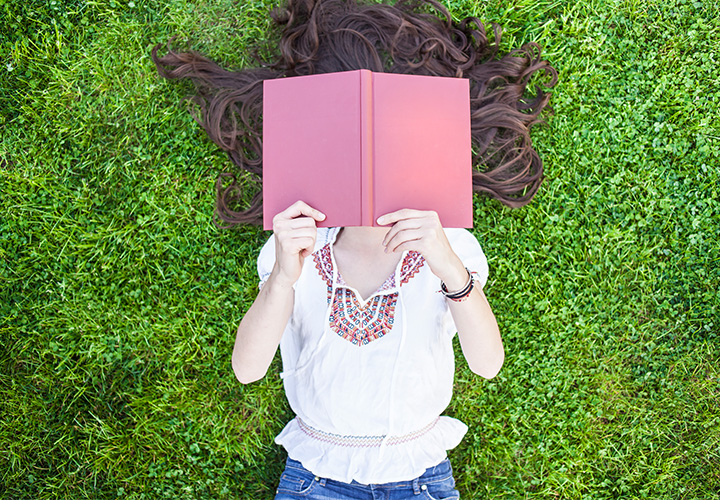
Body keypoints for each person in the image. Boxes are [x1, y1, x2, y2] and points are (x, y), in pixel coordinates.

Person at [152, 0, 557, 496]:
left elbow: (488, 364)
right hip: (316, 479)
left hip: (420, 479)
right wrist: (282, 277)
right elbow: (247, 369)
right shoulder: (297, 249)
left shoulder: (449, 248)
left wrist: (449, 267)